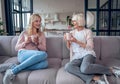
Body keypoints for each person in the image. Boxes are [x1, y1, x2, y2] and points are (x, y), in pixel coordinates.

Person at [64, 13, 120, 84]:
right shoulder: (72, 32)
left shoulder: (88, 31)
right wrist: (67, 41)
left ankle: (111, 70)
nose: (72, 23)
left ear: (79, 21)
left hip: (87, 53)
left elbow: (90, 47)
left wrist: (76, 41)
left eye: (74, 21)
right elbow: (69, 47)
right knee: (68, 67)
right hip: (76, 56)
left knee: (84, 69)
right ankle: (95, 78)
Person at [1, 13, 48, 84]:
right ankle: (13, 71)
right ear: (31, 22)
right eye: (36, 21)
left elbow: (44, 48)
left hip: (34, 56)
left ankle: (13, 67)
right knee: (44, 54)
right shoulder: (24, 33)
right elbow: (16, 48)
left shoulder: (41, 34)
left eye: (39, 21)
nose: (39, 23)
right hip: (23, 54)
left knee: (45, 63)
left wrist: (37, 43)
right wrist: (25, 42)